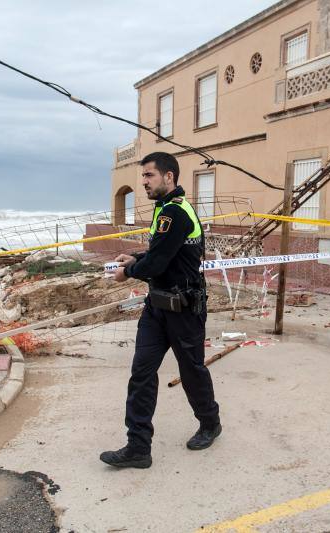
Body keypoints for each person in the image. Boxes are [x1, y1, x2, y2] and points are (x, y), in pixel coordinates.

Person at [100, 152, 221, 469]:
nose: (144, 182)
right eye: (143, 176)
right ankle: (138, 447)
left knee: (191, 371)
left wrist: (127, 272)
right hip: (157, 307)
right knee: (141, 373)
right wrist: (135, 255)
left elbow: (158, 262)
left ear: (169, 177)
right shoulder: (164, 210)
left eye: (149, 175)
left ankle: (210, 423)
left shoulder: (176, 213)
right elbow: (159, 249)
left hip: (184, 310)